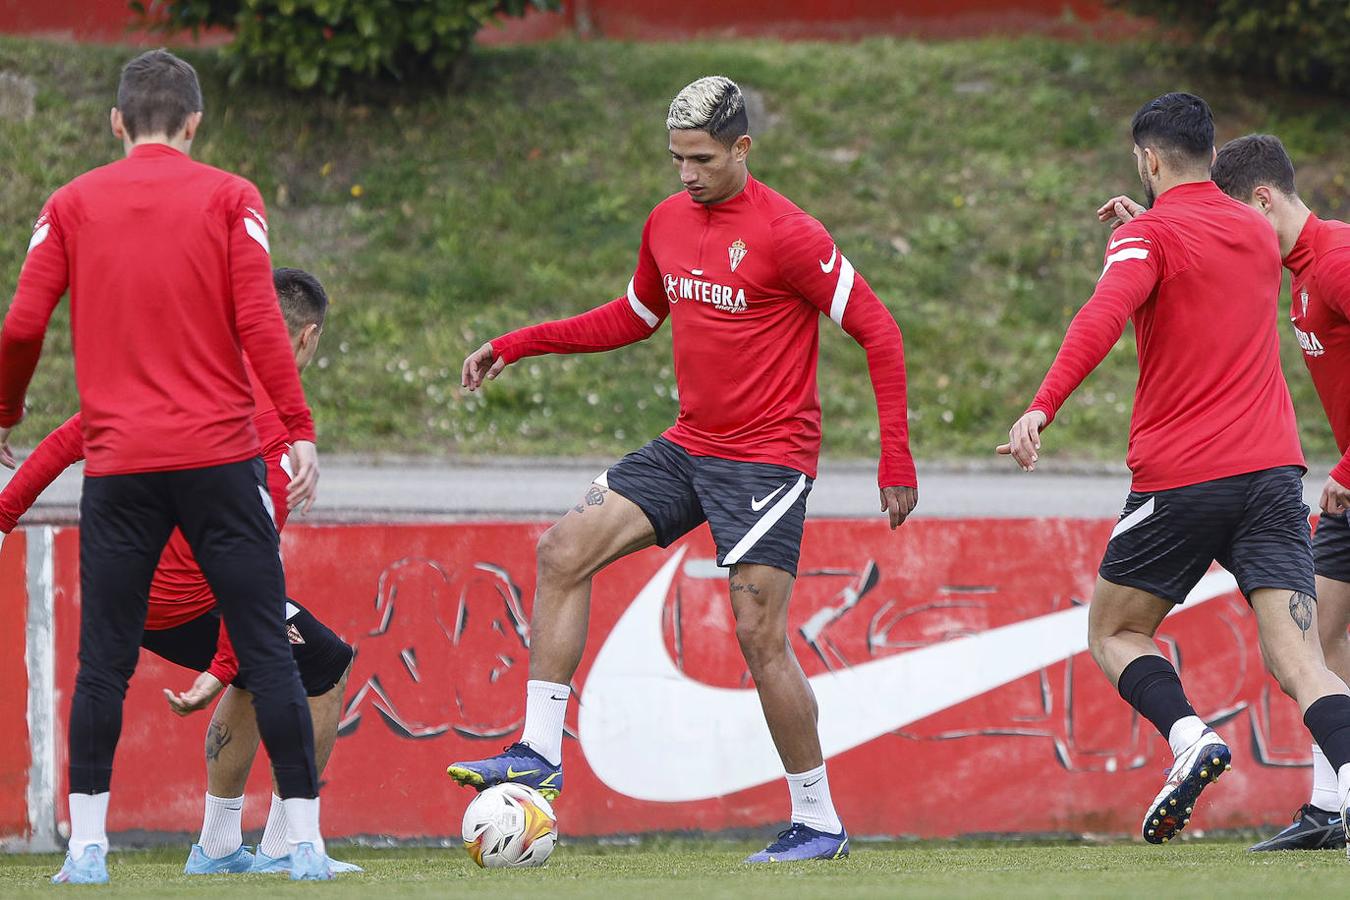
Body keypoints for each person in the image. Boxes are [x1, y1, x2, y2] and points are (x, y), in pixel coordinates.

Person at [449, 75, 917, 863]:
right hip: (690, 443)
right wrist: (519, 341)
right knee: (563, 550)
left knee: (758, 636)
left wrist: (895, 453)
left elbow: (880, 330)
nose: (687, 174)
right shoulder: (667, 220)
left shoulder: (790, 232)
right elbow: (632, 316)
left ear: (742, 148)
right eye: (676, 159)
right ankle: (537, 751)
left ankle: (820, 822)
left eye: (701, 158)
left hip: (767, 461)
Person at [0, 50, 333, 883]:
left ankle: (86, 852)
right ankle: (307, 848)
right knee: (269, 649)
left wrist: (4, 414)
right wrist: (296, 424)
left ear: (116, 122)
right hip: (219, 460)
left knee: (102, 665)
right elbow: (260, 316)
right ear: (194, 122)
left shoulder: (70, 203)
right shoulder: (230, 195)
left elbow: (19, 329)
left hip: (120, 467)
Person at [999, 92, 1350, 849]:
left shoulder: (1150, 239)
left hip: (1184, 478)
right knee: (1303, 661)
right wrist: (1150, 229)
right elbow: (1203, 252)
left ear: (1150, 159)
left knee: (1116, 630)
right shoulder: (1259, 239)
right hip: (1271, 478)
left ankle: (1190, 737)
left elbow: (1104, 311)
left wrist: (1041, 405)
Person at [0, 268, 361, 875]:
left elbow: (70, 438)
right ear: (306, 339)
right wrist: (220, 664)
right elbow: (252, 570)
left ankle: (216, 848)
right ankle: (279, 849)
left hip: (129, 592)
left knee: (252, 675)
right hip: (192, 601)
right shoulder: (273, 426)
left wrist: (5, 515)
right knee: (323, 666)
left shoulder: (180, 369)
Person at [1100, 134, 1350, 850]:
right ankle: (1329, 811)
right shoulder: (1285, 262)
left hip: (1323, 480)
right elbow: (1195, 261)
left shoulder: (1333, 262)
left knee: (1304, 650)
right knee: (1310, 648)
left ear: (1263, 202)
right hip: (1319, 489)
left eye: (1236, 215)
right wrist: (1149, 224)